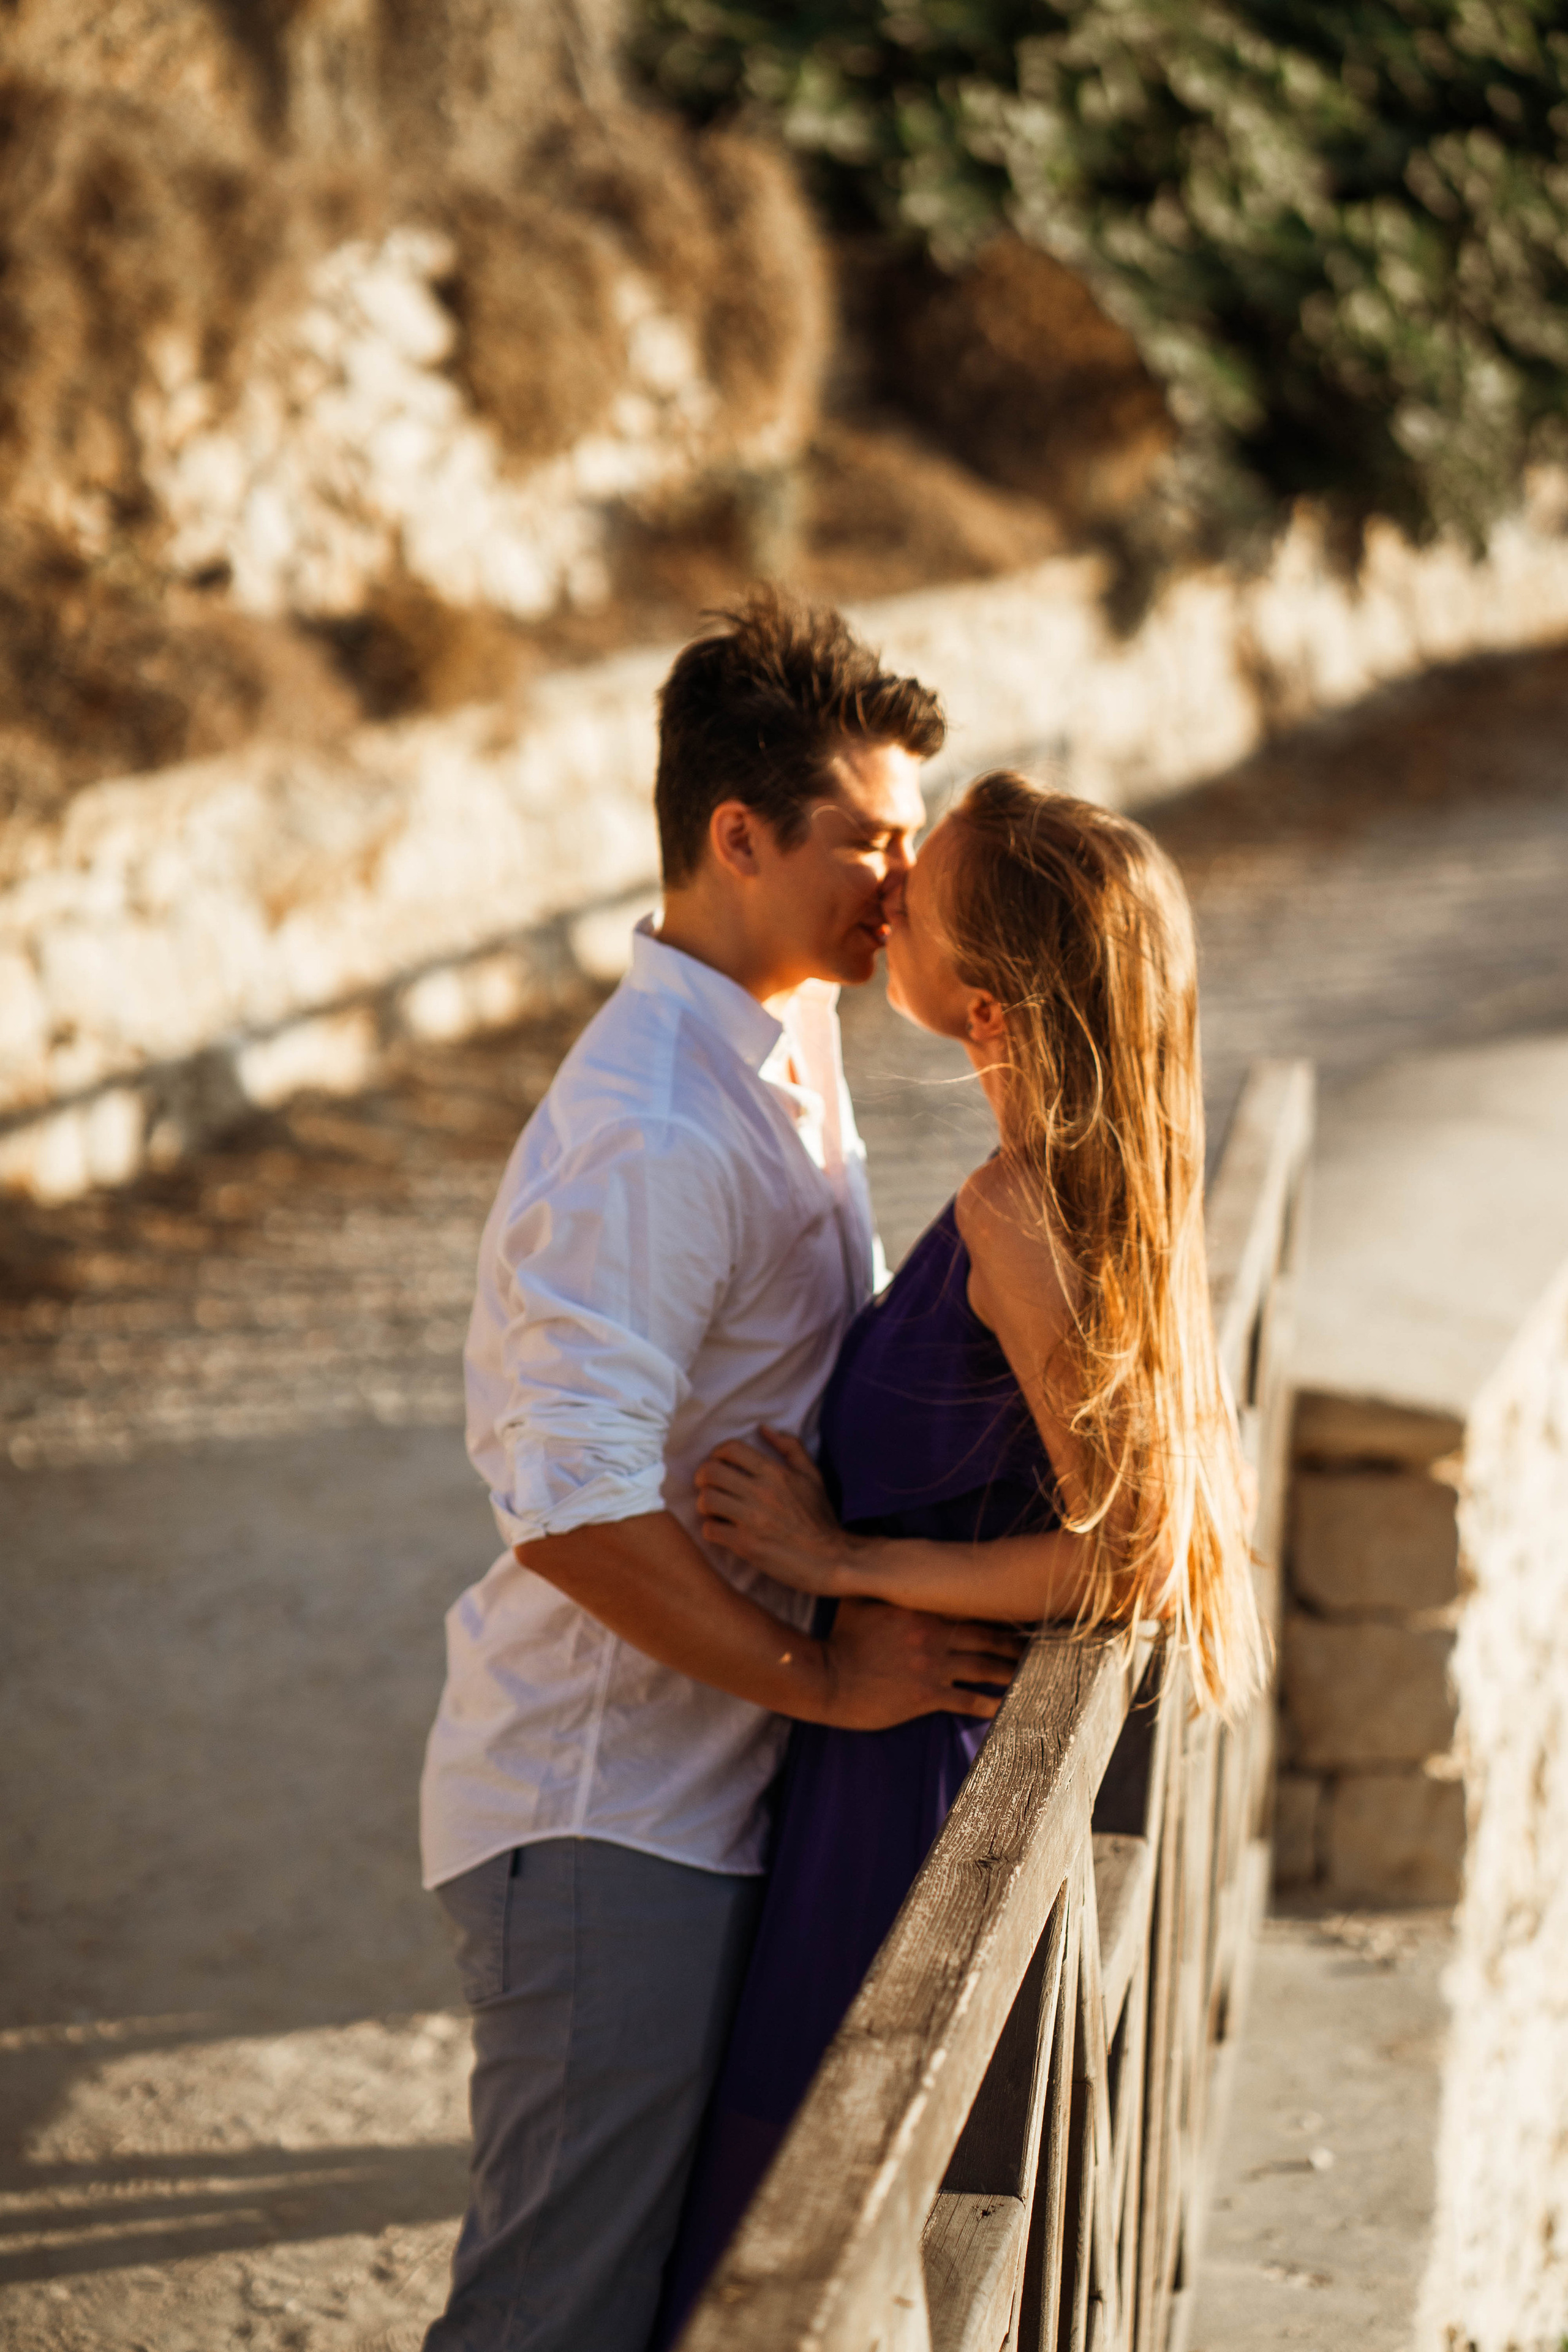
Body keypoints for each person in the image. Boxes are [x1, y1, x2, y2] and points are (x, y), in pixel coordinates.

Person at [417, 593, 1025, 2352]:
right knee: (554, 2318)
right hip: (606, 1814)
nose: (901, 883)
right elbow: (567, 1505)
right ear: (738, 837)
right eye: (869, 841)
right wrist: (823, 1674)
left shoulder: (786, 1028)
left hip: (711, 1794)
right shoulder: (652, 1125)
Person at [655, 770, 1265, 2337]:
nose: (889, 892)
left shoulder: (1020, 1221)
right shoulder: (1074, 1189)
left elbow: (1131, 1555)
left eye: (915, 900)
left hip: (911, 1784)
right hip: (901, 1755)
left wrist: (844, 1564)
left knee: (805, 2237)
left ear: (983, 1011)